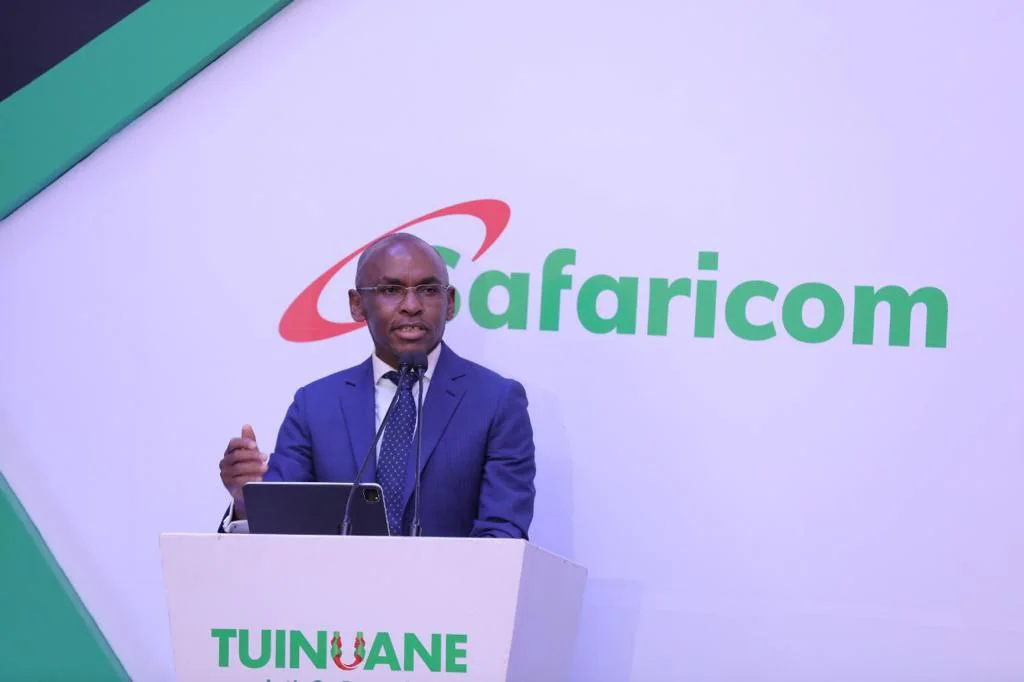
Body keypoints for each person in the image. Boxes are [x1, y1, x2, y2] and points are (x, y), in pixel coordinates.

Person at [217, 233, 536, 538]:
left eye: (428, 290)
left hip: (453, 579)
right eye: (391, 290)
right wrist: (247, 502)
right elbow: (281, 527)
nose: (412, 305)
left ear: (449, 302)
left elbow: (503, 534)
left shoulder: (496, 402)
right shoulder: (314, 405)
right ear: (357, 304)